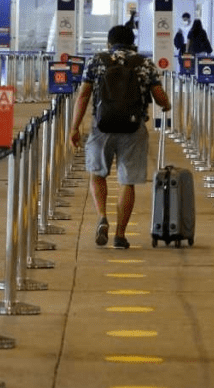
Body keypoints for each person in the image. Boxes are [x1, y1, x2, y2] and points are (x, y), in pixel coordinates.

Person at [70, 24, 172, 249]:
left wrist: (75, 127)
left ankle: (102, 216)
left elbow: (84, 95)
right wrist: (166, 104)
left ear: (109, 42)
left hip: (102, 127)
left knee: (97, 174)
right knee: (127, 181)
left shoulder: (97, 60)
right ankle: (120, 234)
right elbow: (158, 95)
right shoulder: (144, 63)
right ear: (132, 41)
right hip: (133, 129)